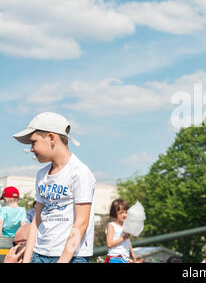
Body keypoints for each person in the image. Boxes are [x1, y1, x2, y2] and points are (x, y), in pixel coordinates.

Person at [12, 112, 96, 263]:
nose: (31, 148)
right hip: (39, 254)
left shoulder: (80, 172)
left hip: (72, 256)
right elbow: (37, 221)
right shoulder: (41, 175)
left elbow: (81, 222)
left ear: (51, 138)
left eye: (33, 142)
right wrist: (27, 259)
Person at [105, 198, 136, 263]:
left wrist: (132, 253)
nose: (125, 215)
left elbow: (128, 240)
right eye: (121, 213)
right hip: (114, 258)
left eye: (126, 212)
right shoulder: (111, 226)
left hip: (124, 258)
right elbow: (109, 244)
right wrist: (123, 237)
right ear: (114, 213)